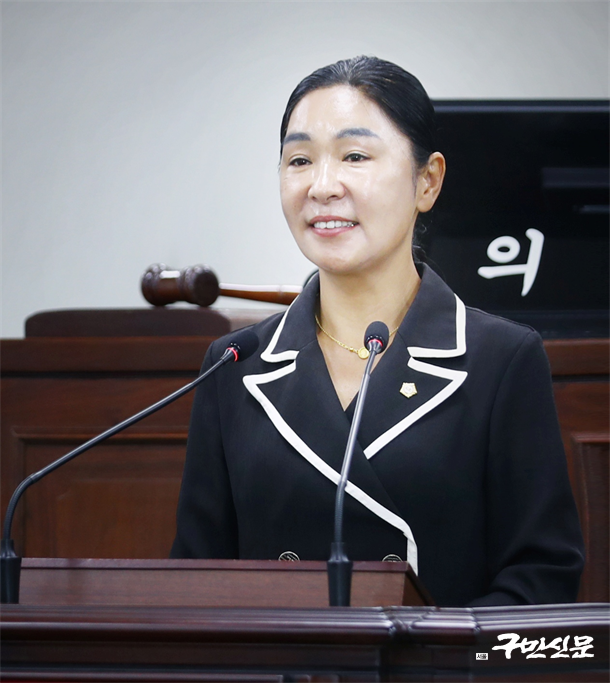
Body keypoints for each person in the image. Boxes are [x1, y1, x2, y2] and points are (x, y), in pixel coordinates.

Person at [171, 56, 584, 607]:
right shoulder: (235, 364)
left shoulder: (501, 359)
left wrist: (428, 650)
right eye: (299, 160)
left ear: (427, 181)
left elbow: (541, 583)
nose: (321, 187)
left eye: (355, 156)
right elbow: (195, 582)